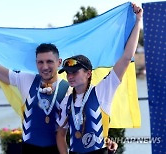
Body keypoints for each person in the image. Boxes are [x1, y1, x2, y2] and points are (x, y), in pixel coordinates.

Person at [56, 4, 143, 154]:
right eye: (68, 73)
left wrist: (138, 20)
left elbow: (126, 58)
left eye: (75, 72)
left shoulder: (103, 91)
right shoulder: (66, 101)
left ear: (88, 73)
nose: (70, 76)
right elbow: (60, 135)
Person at [0, 43, 69, 154]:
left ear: (59, 62)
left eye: (49, 61)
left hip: (56, 150)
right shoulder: (26, 80)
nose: (45, 67)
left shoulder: (69, 89)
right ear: (36, 63)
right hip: (29, 149)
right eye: (40, 62)